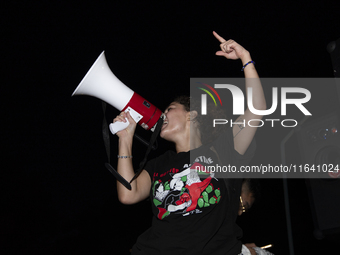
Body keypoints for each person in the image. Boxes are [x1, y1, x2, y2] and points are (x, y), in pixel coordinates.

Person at [113, 31, 266, 255]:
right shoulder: (158, 164)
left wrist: (245, 58)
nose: (162, 114)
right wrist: (125, 140)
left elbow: (257, 109)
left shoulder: (223, 150)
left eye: (169, 109)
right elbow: (128, 194)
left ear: (191, 115)